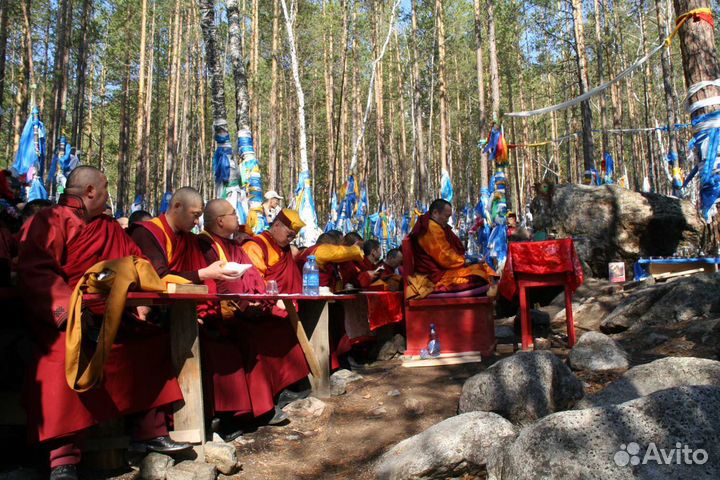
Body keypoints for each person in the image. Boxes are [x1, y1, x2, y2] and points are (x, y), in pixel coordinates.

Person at [17, 166, 189, 480]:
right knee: (61, 361)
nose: (108, 195)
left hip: (111, 315)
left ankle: (150, 433)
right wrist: (68, 309)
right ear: (91, 192)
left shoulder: (109, 227)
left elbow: (137, 264)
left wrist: (137, 296)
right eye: (106, 189)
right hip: (66, 319)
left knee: (148, 343)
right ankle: (63, 458)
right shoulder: (50, 221)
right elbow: (37, 271)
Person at [198, 199, 308, 430]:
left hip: (245, 307)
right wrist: (250, 306)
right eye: (232, 214)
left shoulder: (234, 246)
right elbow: (219, 285)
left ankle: (281, 391)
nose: (238, 217)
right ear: (220, 220)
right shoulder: (204, 244)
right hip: (219, 313)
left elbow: (253, 279)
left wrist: (261, 301)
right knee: (253, 336)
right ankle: (250, 411)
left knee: (279, 325)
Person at [408, 199, 496, 293]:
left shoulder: (435, 225)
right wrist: (466, 260)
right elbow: (445, 257)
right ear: (435, 213)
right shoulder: (430, 228)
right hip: (435, 278)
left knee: (482, 268)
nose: (447, 220)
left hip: (443, 270)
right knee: (480, 274)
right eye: (446, 216)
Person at [295, 232, 363, 292]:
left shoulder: (304, 251)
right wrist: (357, 248)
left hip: (303, 291)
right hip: (314, 294)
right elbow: (342, 252)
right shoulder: (321, 249)